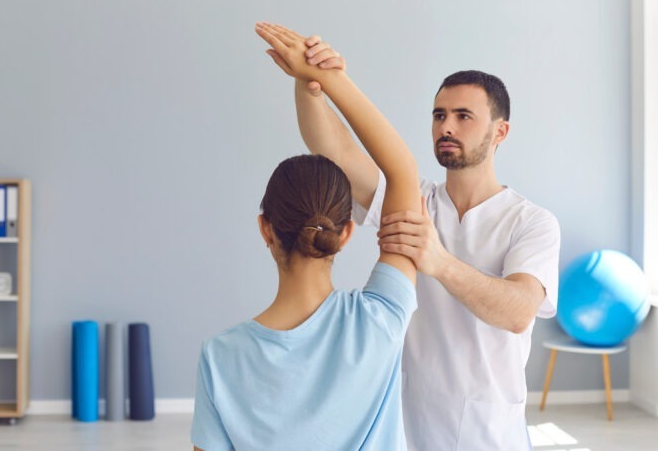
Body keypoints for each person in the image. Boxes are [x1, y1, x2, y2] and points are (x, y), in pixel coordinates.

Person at [293, 38, 561, 450]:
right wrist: (310, 85)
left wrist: (438, 260)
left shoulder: (532, 222)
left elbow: (519, 311)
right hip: (408, 423)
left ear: (499, 131)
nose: (446, 127)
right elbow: (336, 151)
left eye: (463, 116)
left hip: (489, 432)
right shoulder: (414, 199)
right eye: (439, 115)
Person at [190, 23, 421, 451]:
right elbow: (402, 171)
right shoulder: (381, 321)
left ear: (266, 228)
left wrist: (310, 84)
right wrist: (329, 79)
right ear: (346, 232)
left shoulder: (220, 356)